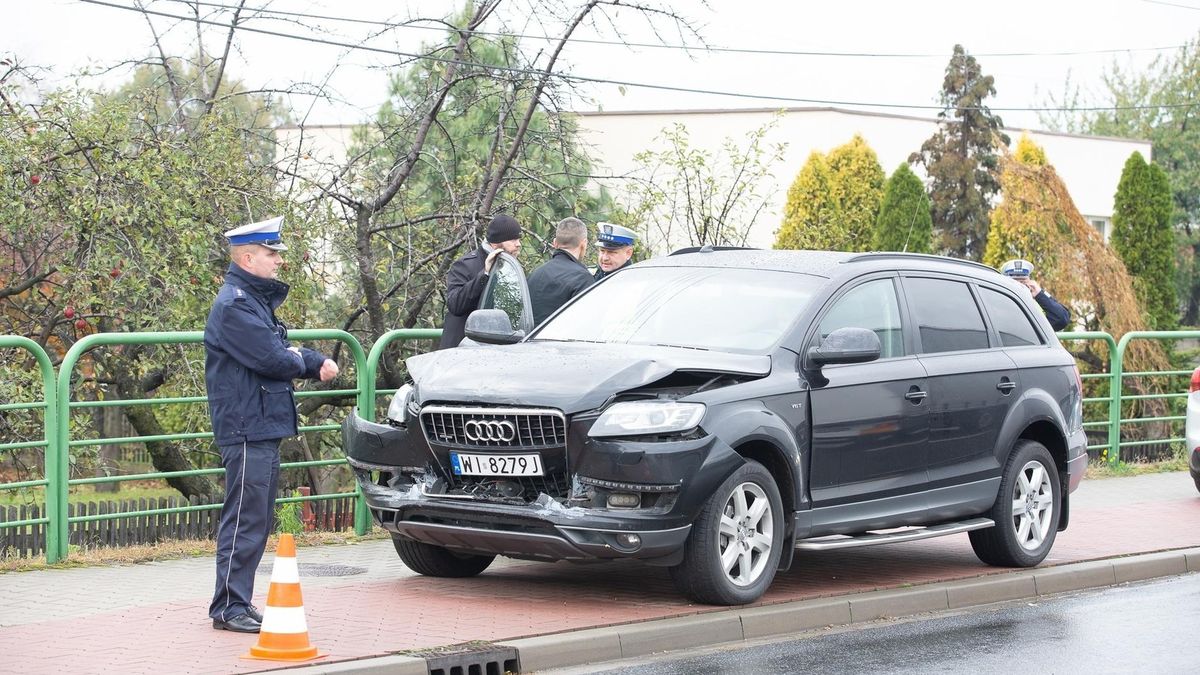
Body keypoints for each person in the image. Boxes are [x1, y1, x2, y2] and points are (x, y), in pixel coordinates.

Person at [204, 216, 339, 633]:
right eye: (271, 253)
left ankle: (237, 602)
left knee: (255, 517)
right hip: (247, 426)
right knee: (245, 517)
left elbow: (283, 348)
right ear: (247, 257)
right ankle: (229, 607)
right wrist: (306, 362)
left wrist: (307, 358)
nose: (278, 261)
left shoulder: (251, 301)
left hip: (259, 423)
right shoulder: (235, 305)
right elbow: (273, 358)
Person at [438, 213, 523, 349]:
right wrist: (485, 273)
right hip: (462, 353)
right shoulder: (465, 265)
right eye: (513, 240)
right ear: (495, 244)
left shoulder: (511, 267)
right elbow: (455, 305)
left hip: (494, 351)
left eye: (518, 239)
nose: (518, 244)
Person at [527, 217, 593, 325]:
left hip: (524, 341)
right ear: (583, 243)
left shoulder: (535, 274)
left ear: (555, 243)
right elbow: (585, 325)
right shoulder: (582, 279)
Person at [1001, 258, 1071, 331]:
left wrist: (1039, 293)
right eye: (1014, 282)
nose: (1019, 287)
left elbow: (1062, 318)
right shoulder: (997, 302)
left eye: (1023, 282)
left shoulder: (1035, 305)